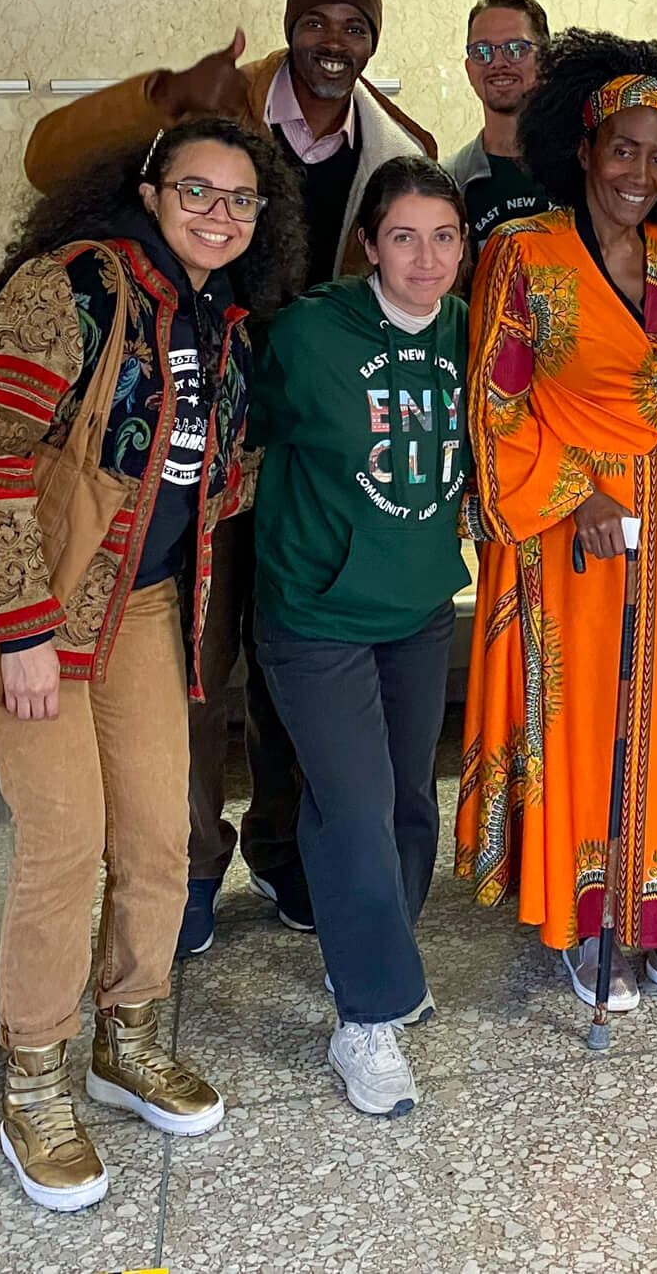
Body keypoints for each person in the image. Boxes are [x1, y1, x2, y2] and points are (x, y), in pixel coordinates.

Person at [23, 0, 439, 952]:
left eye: (353, 25)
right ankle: (197, 864)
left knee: (304, 660)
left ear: (372, 40)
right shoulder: (214, 107)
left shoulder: (401, 139)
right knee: (198, 663)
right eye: (317, 21)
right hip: (200, 432)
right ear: (290, 26)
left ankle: (287, 851)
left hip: (317, 452)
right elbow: (47, 156)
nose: (332, 41)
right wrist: (166, 95)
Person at [0, 115, 301, 1210]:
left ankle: (131, 1030)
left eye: (241, 199)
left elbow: (212, 474)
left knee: (159, 832)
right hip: (41, 611)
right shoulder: (72, 287)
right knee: (67, 843)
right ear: (149, 191)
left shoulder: (222, 317)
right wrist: (19, 629)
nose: (218, 214)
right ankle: (37, 1076)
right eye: (196, 190)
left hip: (144, 607)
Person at [456, 30, 657, 1029]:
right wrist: (577, 493)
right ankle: (591, 923)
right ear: (582, 146)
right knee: (587, 718)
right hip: (567, 532)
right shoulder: (521, 252)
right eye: (621, 147)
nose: (639, 170)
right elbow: (493, 404)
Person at [250, 159, 473, 1119]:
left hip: (418, 605)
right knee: (352, 807)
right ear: (369, 245)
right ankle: (365, 1018)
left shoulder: (472, 332)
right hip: (316, 612)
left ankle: (384, 958)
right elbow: (240, 430)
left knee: (411, 801)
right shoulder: (310, 334)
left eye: (444, 237)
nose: (426, 259)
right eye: (403, 238)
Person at [446, 0, 554, 242]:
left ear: (546, 61)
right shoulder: (451, 183)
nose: (497, 63)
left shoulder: (584, 171)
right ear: (469, 69)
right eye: (482, 51)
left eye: (516, 49)